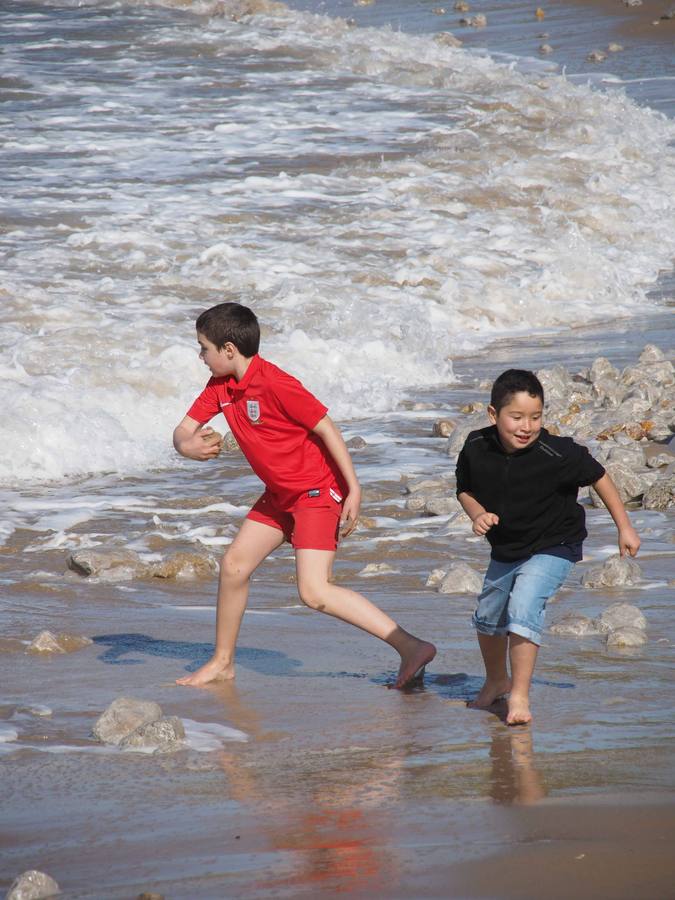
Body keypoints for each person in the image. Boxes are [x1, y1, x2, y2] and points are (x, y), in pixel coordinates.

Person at [173, 302, 436, 688]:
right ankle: (223, 662)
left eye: (204, 348)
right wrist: (186, 447)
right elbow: (183, 429)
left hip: (316, 492)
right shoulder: (221, 387)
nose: (201, 356)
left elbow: (327, 428)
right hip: (280, 495)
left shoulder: (277, 383)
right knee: (233, 566)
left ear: (228, 350)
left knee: (314, 591)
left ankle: (411, 646)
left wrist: (354, 489)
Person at [455, 368, 640, 725]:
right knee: (488, 615)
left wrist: (625, 527)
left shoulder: (557, 453)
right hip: (508, 547)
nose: (526, 426)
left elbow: (599, 475)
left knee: (524, 603)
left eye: (535, 417)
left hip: (556, 543)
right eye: (517, 417)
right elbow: (464, 487)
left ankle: (520, 697)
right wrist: (476, 514)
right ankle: (497, 681)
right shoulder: (476, 447)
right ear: (494, 415)